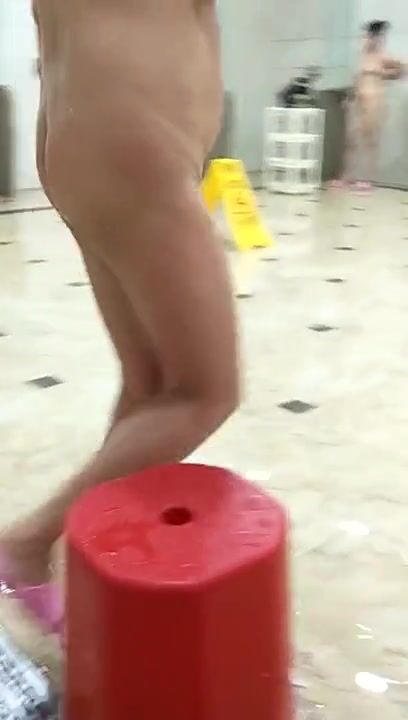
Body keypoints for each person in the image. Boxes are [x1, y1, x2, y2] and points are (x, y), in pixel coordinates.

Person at [0, 0, 239, 634]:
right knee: (205, 393)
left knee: (151, 383)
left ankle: (99, 556)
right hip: (133, 136)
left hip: (87, 130)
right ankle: (29, 544)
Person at [331, 20, 405, 192]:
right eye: (366, 36)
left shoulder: (384, 57)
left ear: (378, 38)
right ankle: (346, 176)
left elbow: (403, 69)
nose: (367, 40)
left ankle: (367, 179)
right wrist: (349, 97)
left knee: (369, 140)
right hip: (358, 100)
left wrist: (385, 74)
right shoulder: (363, 57)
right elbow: (357, 79)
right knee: (350, 140)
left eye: (371, 37)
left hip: (374, 100)